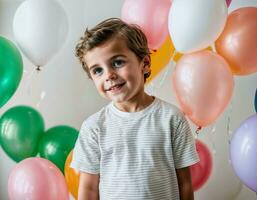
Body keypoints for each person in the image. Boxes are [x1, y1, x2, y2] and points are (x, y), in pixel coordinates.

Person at [71, 17, 199, 200]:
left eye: (117, 62)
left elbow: (184, 183)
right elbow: (89, 188)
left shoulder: (171, 118)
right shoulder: (94, 127)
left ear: (145, 64)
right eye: (97, 70)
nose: (109, 75)